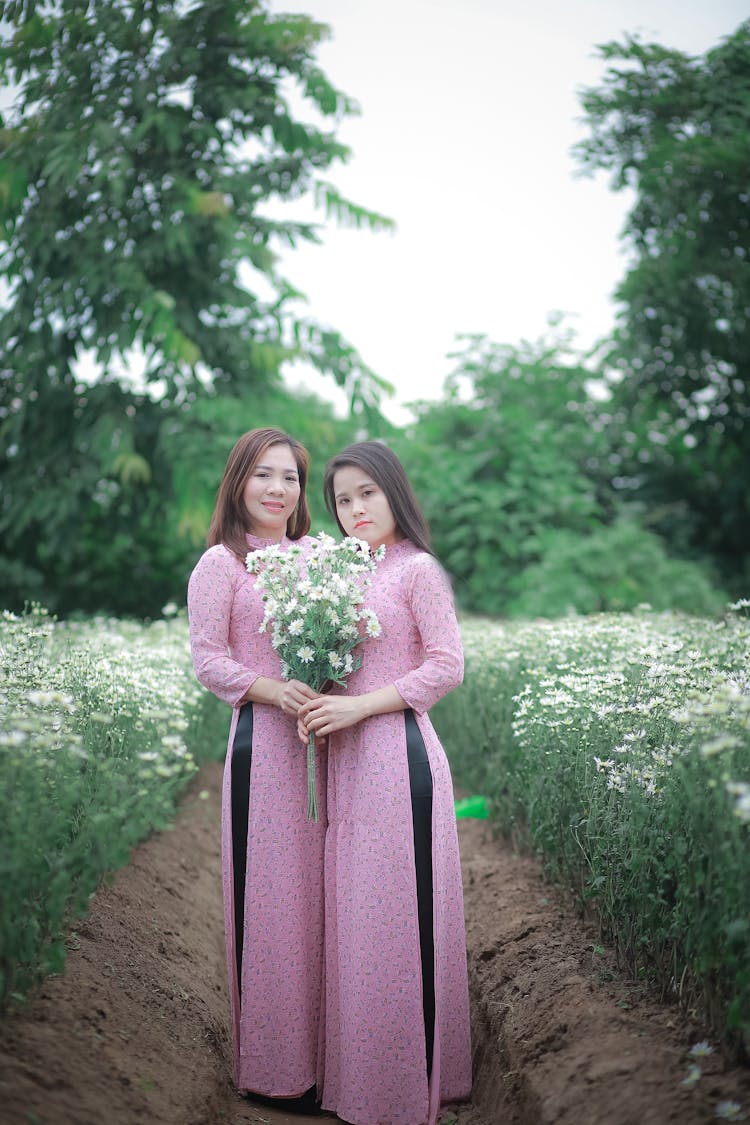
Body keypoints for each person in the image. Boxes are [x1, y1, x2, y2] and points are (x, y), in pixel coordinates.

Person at [299, 441, 472, 1125]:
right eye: (342, 499)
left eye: (367, 493)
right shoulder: (341, 573)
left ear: (393, 493)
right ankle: (361, 1081)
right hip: (346, 765)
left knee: (400, 922)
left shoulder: (417, 570)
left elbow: (446, 666)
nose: (355, 509)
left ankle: (409, 1089)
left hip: (400, 763)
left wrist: (359, 706)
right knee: (360, 923)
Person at [187, 427, 325, 1112]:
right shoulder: (221, 564)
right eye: (265, 474)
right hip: (263, 750)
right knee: (274, 903)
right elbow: (208, 658)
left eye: (292, 477)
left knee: (330, 901)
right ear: (239, 479)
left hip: (331, 746)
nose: (278, 489)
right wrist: (271, 689)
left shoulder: (321, 559)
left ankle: (339, 1057)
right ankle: (279, 1069)